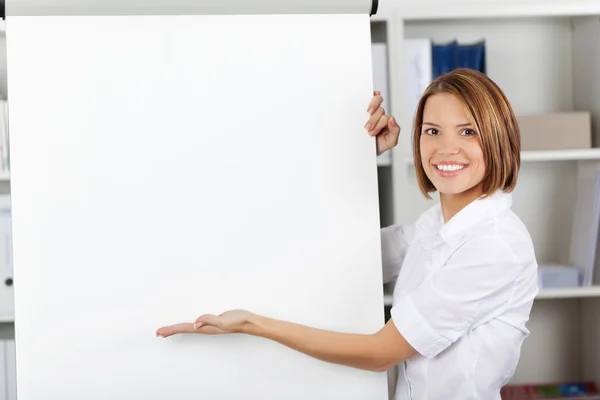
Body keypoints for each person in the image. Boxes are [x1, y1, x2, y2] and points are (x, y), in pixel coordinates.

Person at [156, 68, 539, 400]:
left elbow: (381, 353)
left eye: (468, 131)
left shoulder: (494, 246)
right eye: (432, 130)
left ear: (497, 137)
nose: (445, 148)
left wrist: (250, 324)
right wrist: (359, 155)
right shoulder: (435, 227)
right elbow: (342, 253)